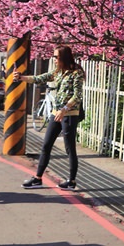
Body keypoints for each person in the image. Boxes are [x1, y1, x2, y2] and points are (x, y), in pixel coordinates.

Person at [16, 45, 85, 190]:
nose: (53, 59)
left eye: (56, 57)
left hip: (69, 115)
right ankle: (37, 178)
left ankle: (71, 181)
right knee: (46, 145)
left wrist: (65, 109)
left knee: (69, 148)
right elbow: (41, 78)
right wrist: (22, 78)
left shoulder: (76, 73)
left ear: (64, 58)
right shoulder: (58, 71)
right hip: (56, 112)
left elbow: (77, 95)